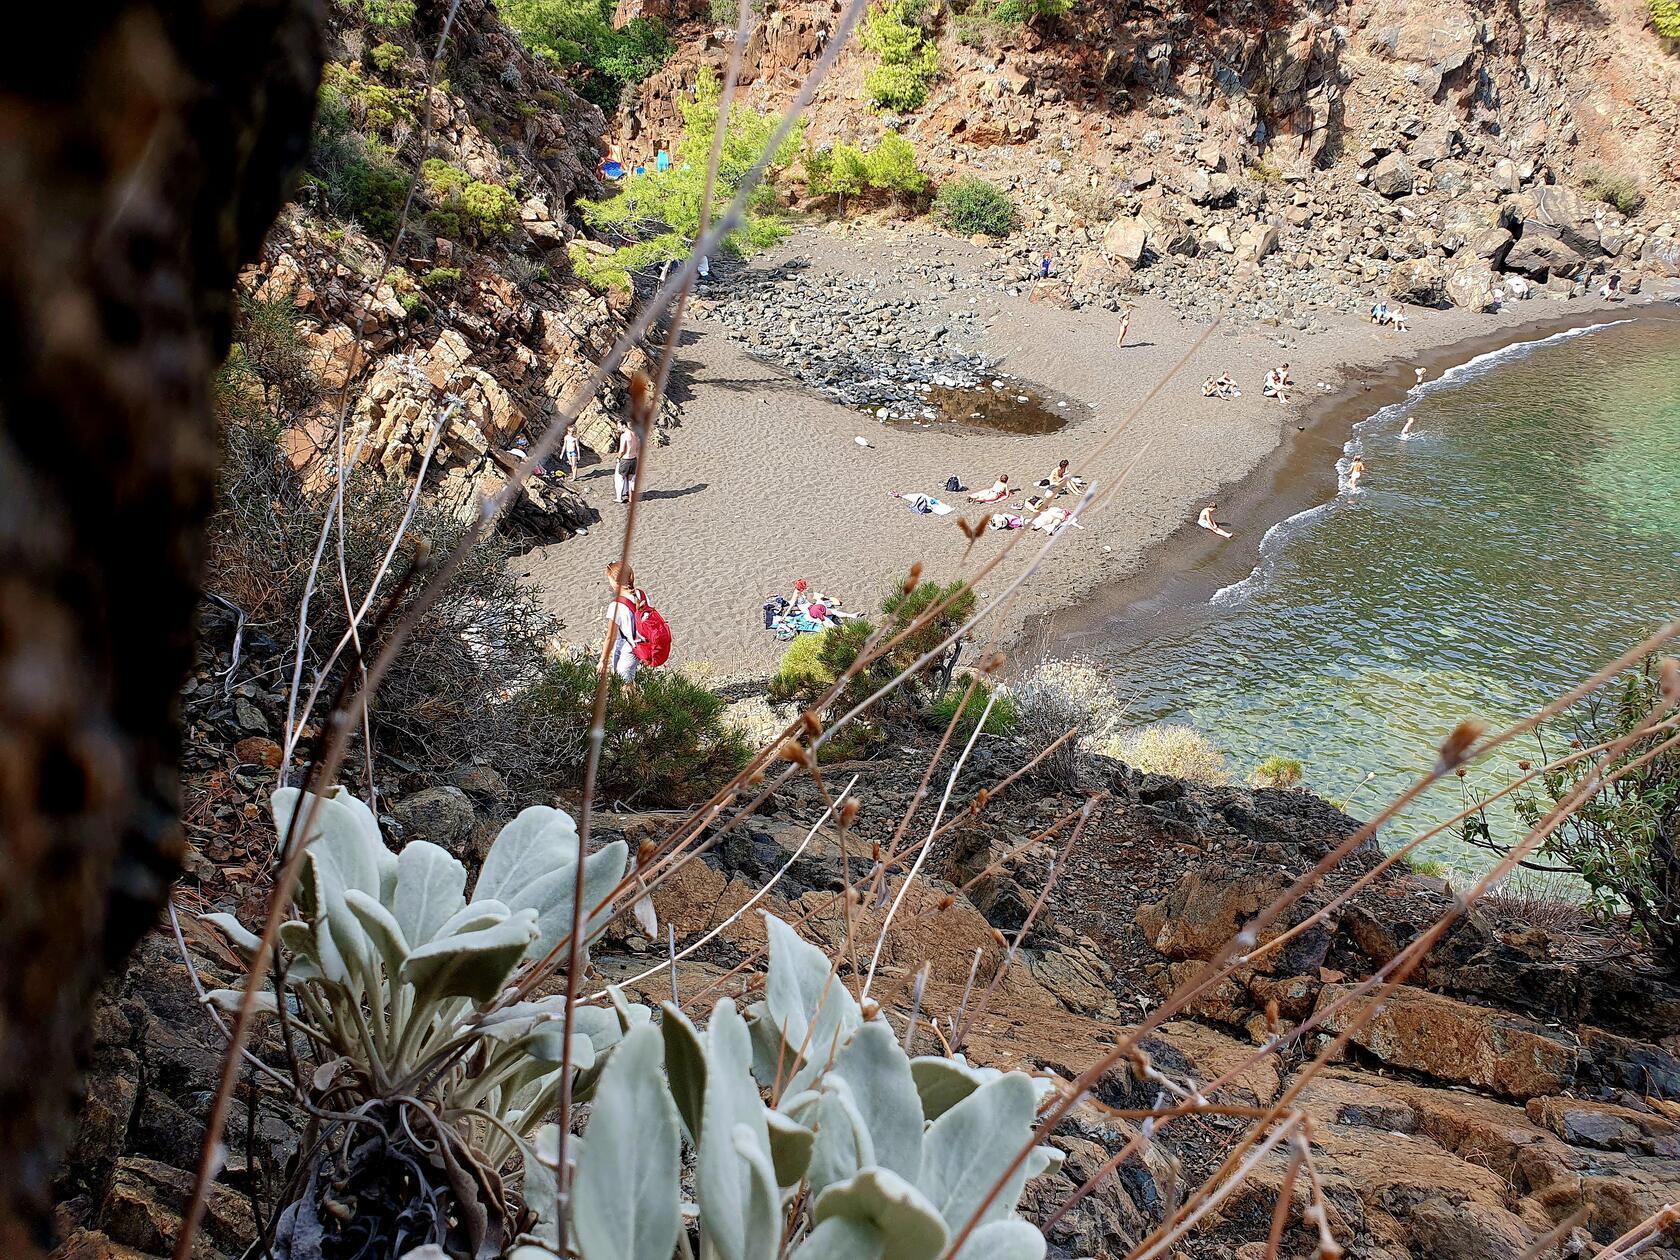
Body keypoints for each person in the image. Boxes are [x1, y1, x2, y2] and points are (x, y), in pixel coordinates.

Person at [605, 561, 644, 683]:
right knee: (629, 679)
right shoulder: (640, 594)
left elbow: (610, 638)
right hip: (641, 645)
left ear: (616, 582)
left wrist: (603, 660)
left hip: (627, 649)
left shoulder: (616, 606)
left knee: (624, 684)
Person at [614, 420, 641, 503]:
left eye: (619, 427)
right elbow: (637, 447)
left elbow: (622, 450)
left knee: (620, 478)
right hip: (634, 459)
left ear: (624, 426)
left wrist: (618, 457)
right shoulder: (634, 434)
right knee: (631, 480)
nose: (618, 429)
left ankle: (619, 498)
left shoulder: (624, 436)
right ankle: (631, 498)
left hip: (626, 459)